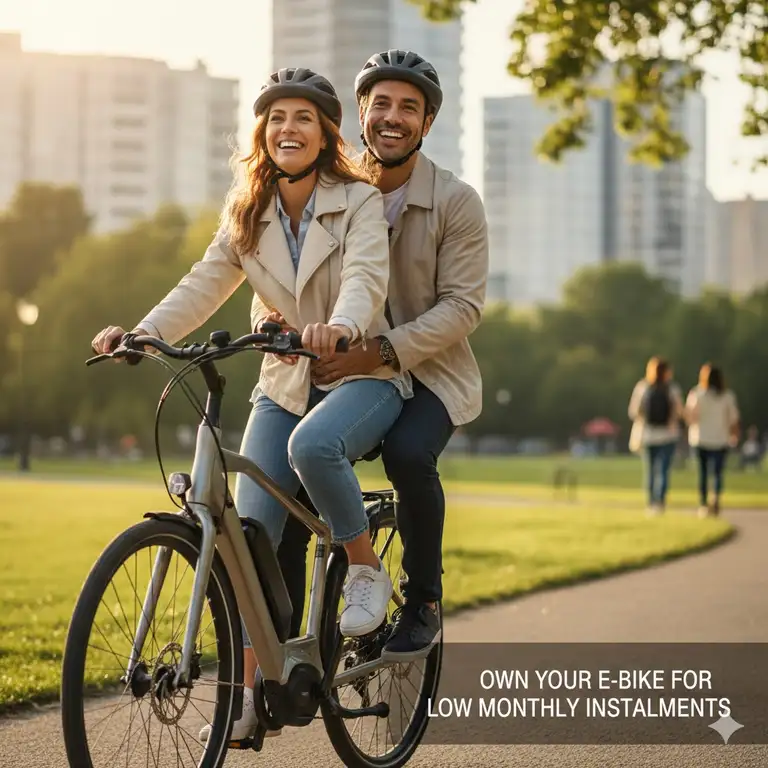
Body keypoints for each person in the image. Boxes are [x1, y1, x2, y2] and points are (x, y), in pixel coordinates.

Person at [91, 66, 412, 743]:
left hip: (359, 379)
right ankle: (245, 695)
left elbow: (364, 278)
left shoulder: (355, 202)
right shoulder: (248, 211)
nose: (287, 129)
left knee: (312, 447)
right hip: (285, 383)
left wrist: (343, 325)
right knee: (247, 544)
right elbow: (203, 281)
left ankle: (364, 571)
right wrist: (144, 333)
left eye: (302, 119)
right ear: (262, 133)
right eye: (276, 118)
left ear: (326, 135)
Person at [260, 49, 489, 660]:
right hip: (338, 363)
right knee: (291, 482)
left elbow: (463, 308)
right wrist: (271, 321)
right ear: (359, 114)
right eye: (380, 104)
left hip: (430, 371)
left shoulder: (457, 201)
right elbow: (278, 268)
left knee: (408, 452)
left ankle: (423, 600)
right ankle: (287, 650)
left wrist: (379, 352)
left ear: (428, 123)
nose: (393, 117)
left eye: (408, 108)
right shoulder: (333, 186)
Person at [628, 357, 685, 514]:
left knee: (650, 471)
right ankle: (660, 502)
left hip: (648, 435)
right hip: (668, 435)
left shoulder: (643, 388)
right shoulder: (672, 389)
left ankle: (650, 502)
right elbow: (680, 412)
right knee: (663, 470)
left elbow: (633, 412)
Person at [685, 363, 740, 517]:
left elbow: (690, 416)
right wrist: (734, 435)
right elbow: (733, 419)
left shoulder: (697, 394)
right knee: (717, 473)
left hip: (700, 439)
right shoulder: (727, 396)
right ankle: (715, 497)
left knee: (702, 473)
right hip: (720, 439)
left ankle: (703, 503)